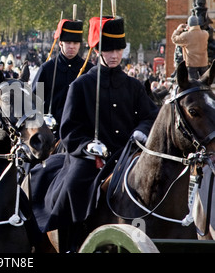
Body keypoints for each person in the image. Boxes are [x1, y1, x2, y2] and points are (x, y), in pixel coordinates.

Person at [31, 16, 159, 252]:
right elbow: (69, 128)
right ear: (98, 50)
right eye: (108, 50)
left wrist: (141, 132)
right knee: (72, 185)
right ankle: (71, 244)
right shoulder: (81, 85)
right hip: (91, 157)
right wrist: (87, 146)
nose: (114, 55)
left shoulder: (133, 86)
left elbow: (151, 116)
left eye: (118, 50)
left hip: (126, 154)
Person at [31, 18, 92, 138]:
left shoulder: (89, 70)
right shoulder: (47, 68)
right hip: (50, 132)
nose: (71, 47)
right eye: (68, 43)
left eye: (75, 43)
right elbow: (33, 101)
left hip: (79, 132)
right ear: (60, 43)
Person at [171, 15, 209, 80]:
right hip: (204, 63)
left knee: (193, 84)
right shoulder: (205, 34)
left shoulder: (186, 35)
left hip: (191, 64)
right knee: (205, 83)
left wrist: (178, 30)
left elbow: (174, 39)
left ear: (189, 24)